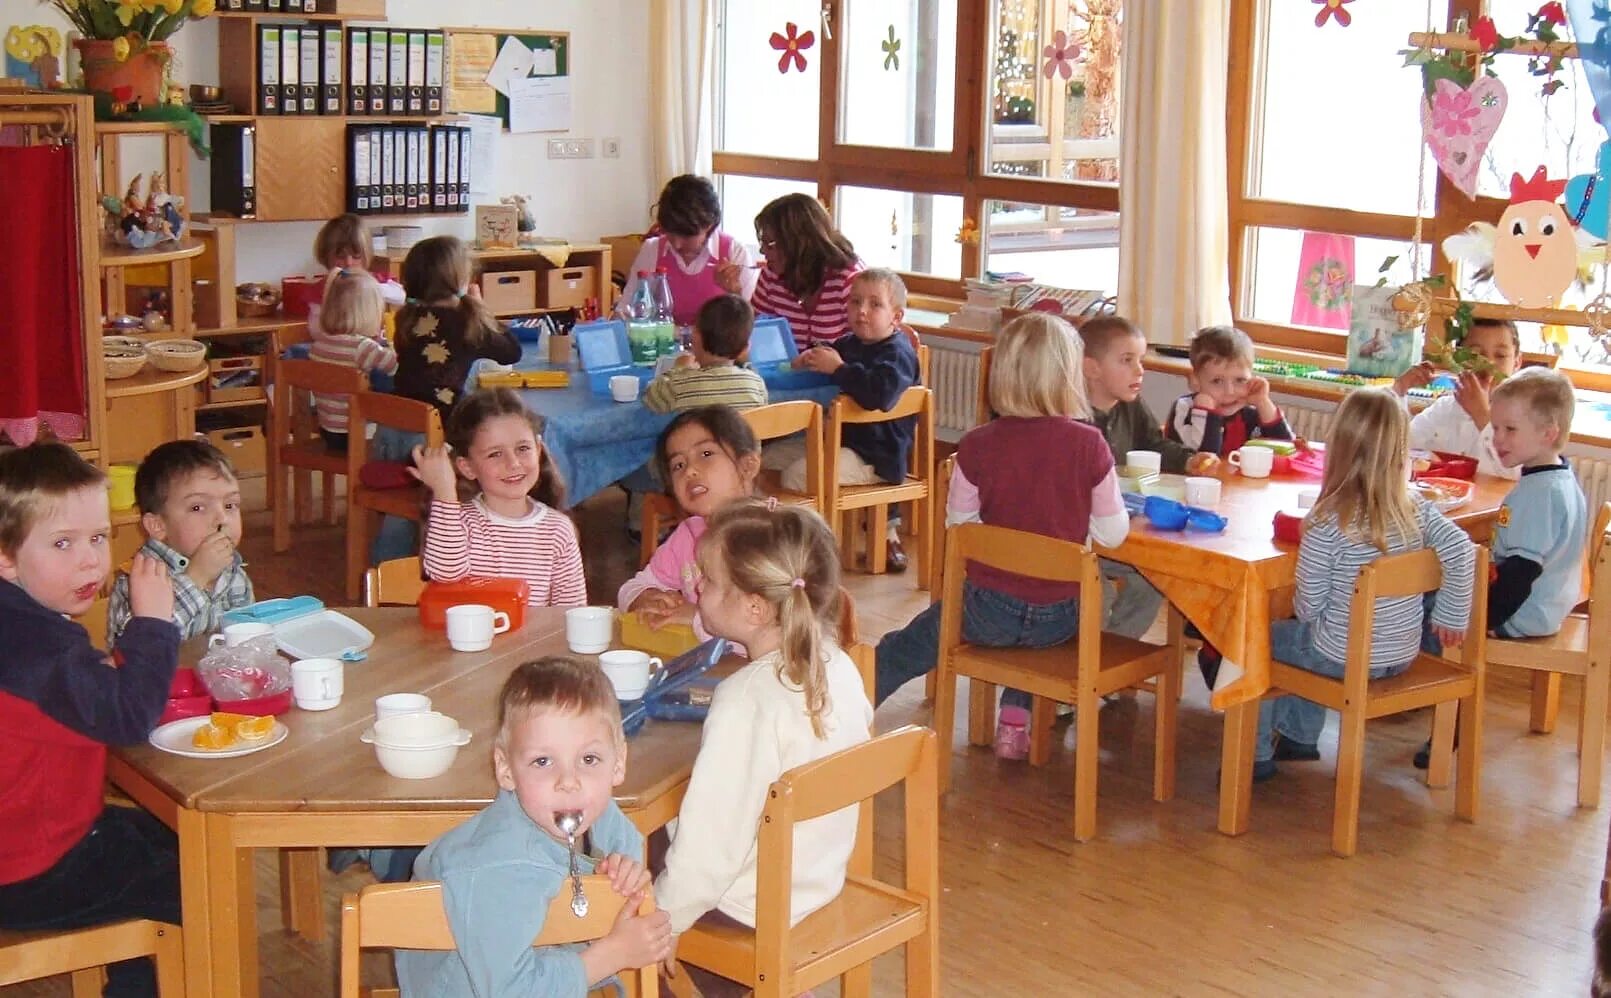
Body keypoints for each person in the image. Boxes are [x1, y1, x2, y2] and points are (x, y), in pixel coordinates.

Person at [873, 313, 1128, 758]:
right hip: (1061, 618)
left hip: (986, 611)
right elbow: (1112, 533)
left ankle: (847, 706)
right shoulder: (1091, 446)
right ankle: (1015, 720)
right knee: (1040, 629)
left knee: (907, 644)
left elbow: (961, 527)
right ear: (1069, 376)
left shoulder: (975, 444)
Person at [655, 502, 872, 998]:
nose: (696, 589)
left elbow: (711, 849)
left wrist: (663, 919)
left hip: (748, 908)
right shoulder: (838, 664)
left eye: (707, 581)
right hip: (816, 882)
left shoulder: (746, 699)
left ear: (754, 608)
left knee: (617, 856)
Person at [0, 442, 182, 998]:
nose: (90, 560)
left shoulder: (23, 627)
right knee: (193, 880)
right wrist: (152, 623)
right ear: (4, 557)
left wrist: (96, 670)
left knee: (173, 835)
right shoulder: (42, 653)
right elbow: (128, 716)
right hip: (31, 869)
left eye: (99, 538)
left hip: (28, 842)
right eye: (63, 543)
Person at [396, 656, 673, 995]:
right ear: (506, 769)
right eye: (543, 761)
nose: (568, 782)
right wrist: (613, 954)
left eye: (589, 759)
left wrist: (623, 880)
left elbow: (622, 861)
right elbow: (511, 990)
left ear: (618, 763)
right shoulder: (499, 867)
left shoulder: (602, 817)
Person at [1255, 388, 1475, 782]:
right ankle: (1298, 737)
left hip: (1344, 657)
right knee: (1312, 635)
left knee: (1259, 639)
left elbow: (1309, 606)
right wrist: (1451, 613)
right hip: (1401, 652)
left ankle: (1254, 756)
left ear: (1338, 450)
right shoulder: (1417, 508)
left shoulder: (1326, 522)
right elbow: (1463, 548)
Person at [1412, 367, 1587, 769]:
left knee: (1426, 606)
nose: (1497, 439)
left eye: (1510, 429)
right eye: (1496, 427)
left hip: (1522, 613)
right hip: (1547, 606)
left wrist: (1481, 621)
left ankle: (1442, 716)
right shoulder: (1556, 477)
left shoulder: (1539, 495)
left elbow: (1522, 574)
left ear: (1548, 433)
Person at [783, 267, 920, 570]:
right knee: (766, 458)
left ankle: (815, 554)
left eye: (875, 304)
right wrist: (810, 358)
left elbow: (880, 395)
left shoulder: (898, 354)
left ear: (896, 317)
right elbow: (831, 354)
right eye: (855, 302)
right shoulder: (849, 343)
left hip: (876, 457)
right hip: (839, 442)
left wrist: (840, 369)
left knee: (797, 474)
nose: (862, 311)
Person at [416, 388, 586, 608]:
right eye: (495, 454)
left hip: (533, 642)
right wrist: (444, 493)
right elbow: (445, 574)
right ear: (467, 467)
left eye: (523, 448)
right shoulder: (458, 523)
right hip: (467, 642)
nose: (513, 463)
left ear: (539, 448)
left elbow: (571, 612)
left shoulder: (558, 530)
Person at [1079, 315, 1190, 640]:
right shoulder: (1073, 417)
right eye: (1127, 361)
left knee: (1155, 578)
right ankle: (1084, 669)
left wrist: (1191, 461)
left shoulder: (1130, 405)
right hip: (1079, 538)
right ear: (1092, 368)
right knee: (1098, 591)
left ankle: (1112, 654)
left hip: (1122, 531)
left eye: (1140, 360)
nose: (1140, 371)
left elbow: (1155, 445)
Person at [619, 407, 762, 642]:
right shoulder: (688, 535)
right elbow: (631, 588)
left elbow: (771, 628)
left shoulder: (775, 534)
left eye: (706, 454)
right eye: (678, 465)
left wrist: (698, 618)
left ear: (747, 466)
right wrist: (645, 597)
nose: (691, 471)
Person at [107, 439, 253, 644]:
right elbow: (143, 649)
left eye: (230, 505)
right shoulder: (138, 579)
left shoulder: (233, 570)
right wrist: (196, 577)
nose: (222, 518)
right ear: (158, 525)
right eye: (197, 508)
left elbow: (246, 636)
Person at [393, 235, 523, 420]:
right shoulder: (466, 322)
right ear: (460, 280)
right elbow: (512, 352)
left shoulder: (406, 317)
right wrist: (482, 310)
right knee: (504, 411)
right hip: (442, 424)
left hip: (398, 418)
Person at [1393, 316, 1523, 480]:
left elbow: (1518, 474)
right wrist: (1399, 391)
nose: (1488, 363)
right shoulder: (1444, 409)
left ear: (1517, 362)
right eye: (1475, 354)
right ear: (1457, 359)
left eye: (1501, 355)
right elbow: (1399, 446)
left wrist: (1482, 415)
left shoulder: (1525, 417)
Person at [620, 175, 759, 322]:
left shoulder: (735, 253)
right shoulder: (652, 250)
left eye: (686, 235)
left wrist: (735, 293)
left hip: (715, 344)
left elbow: (749, 326)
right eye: (669, 232)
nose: (677, 244)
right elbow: (626, 311)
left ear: (709, 225)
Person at [749, 193, 863, 351]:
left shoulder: (848, 279)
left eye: (771, 244)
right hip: (785, 374)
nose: (762, 250)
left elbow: (867, 349)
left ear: (799, 243)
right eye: (762, 242)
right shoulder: (771, 275)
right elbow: (756, 334)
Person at [1165, 324, 1293, 456]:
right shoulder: (1184, 409)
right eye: (1217, 381)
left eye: (1240, 380)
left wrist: (1263, 402)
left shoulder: (1248, 414)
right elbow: (1204, 457)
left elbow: (1287, 449)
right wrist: (1207, 412)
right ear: (1195, 381)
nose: (1229, 391)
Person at [308, 268, 398, 453]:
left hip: (328, 432)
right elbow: (397, 367)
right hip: (357, 434)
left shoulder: (319, 343)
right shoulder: (362, 347)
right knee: (401, 426)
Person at [642, 294, 768, 414]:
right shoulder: (757, 384)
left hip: (698, 437)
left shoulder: (681, 384)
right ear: (745, 349)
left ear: (695, 337)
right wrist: (747, 364)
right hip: (740, 437)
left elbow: (650, 399)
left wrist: (678, 368)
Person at [308, 213, 406, 343]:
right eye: (341, 257)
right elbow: (316, 330)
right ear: (326, 257)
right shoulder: (324, 288)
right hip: (340, 349)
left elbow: (402, 297)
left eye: (356, 256)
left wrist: (367, 287)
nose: (349, 263)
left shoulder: (378, 281)